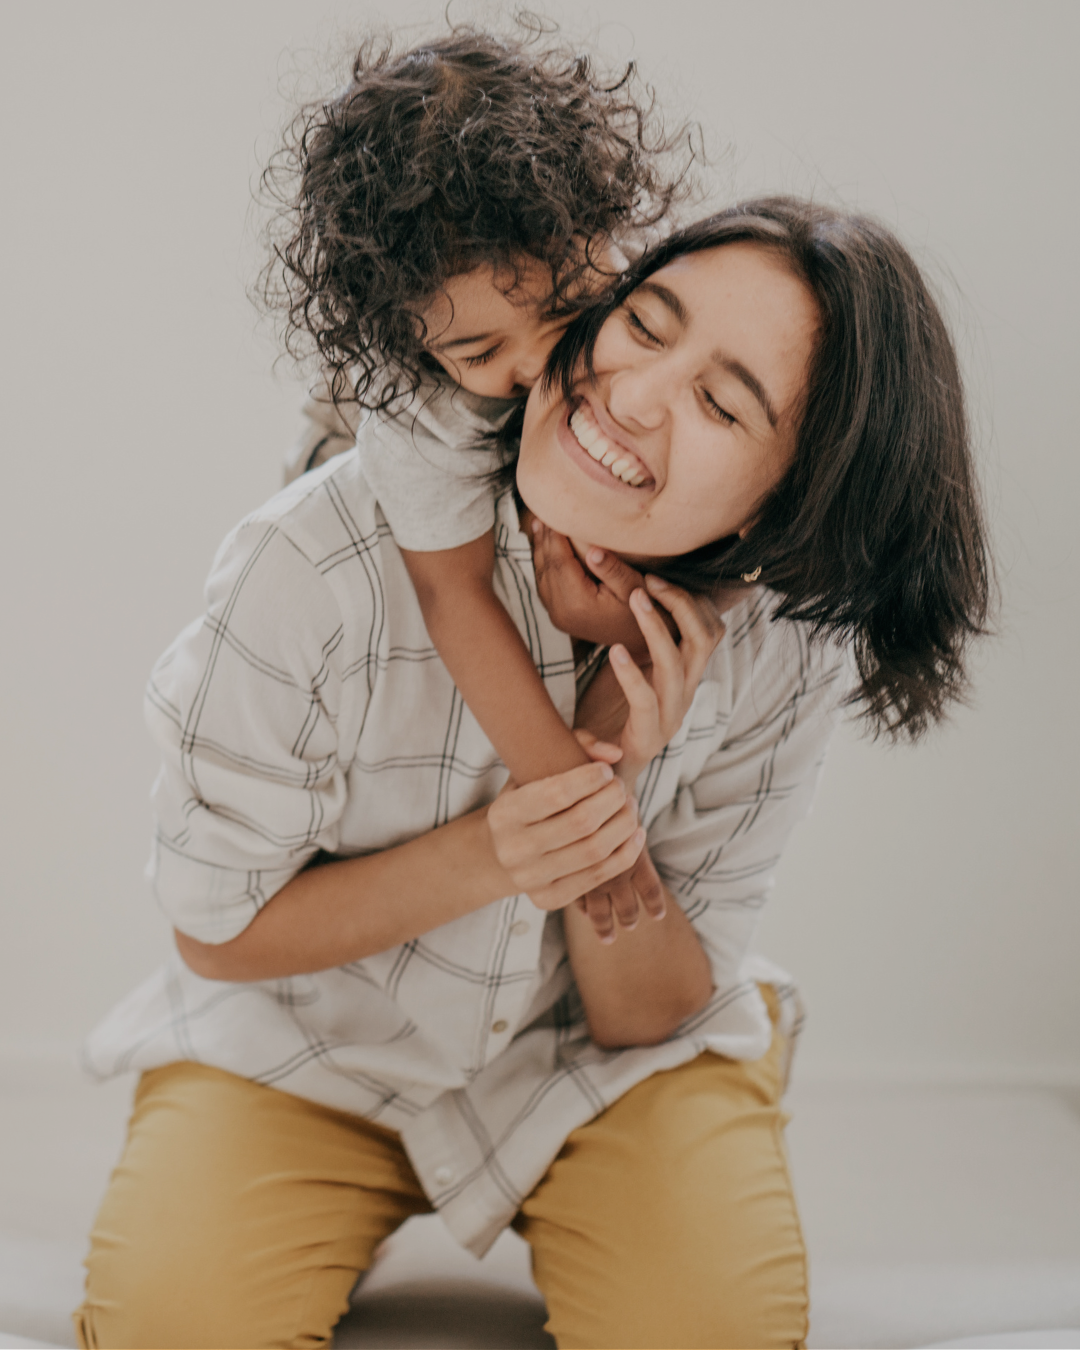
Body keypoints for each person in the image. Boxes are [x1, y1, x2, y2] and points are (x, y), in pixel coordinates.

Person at [75, 197, 990, 1349]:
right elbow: (218, 934)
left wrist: (616, 750)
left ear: (787, 507)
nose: (635, 395)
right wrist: (507, 840)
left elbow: (645, 1015)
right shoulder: (319, 555)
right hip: (303, 1039)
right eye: (644, 323)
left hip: (597, 1064)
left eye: (719, 402)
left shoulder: (777, 648)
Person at [262, 27, 693, 940]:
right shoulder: (422, 408)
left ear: (608, 235)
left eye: (570, 311)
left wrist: (611, 619)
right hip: (349, 448)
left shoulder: (657, 303)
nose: (541, 364)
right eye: (479, 350)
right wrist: (581, 813)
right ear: (415, 342)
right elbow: (450, 594)